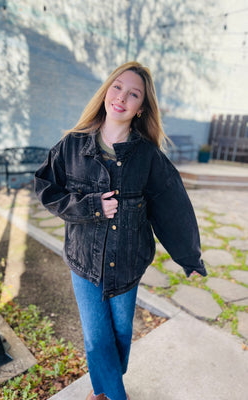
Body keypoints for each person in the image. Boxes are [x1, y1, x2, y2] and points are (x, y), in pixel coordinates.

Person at [34, 61, 207, 400]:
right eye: (117, 87)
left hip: (127, 263)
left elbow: (172, 208)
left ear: (141, 108)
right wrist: (91, 207)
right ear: (105, 92)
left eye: (133, 94)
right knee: (97, 338)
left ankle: (100, 391)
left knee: (120, 335)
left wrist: (189, 256)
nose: (121, 97)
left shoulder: (148, 157)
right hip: (84, 261)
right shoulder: (72, 145)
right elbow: (46, 189)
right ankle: (115, 395)